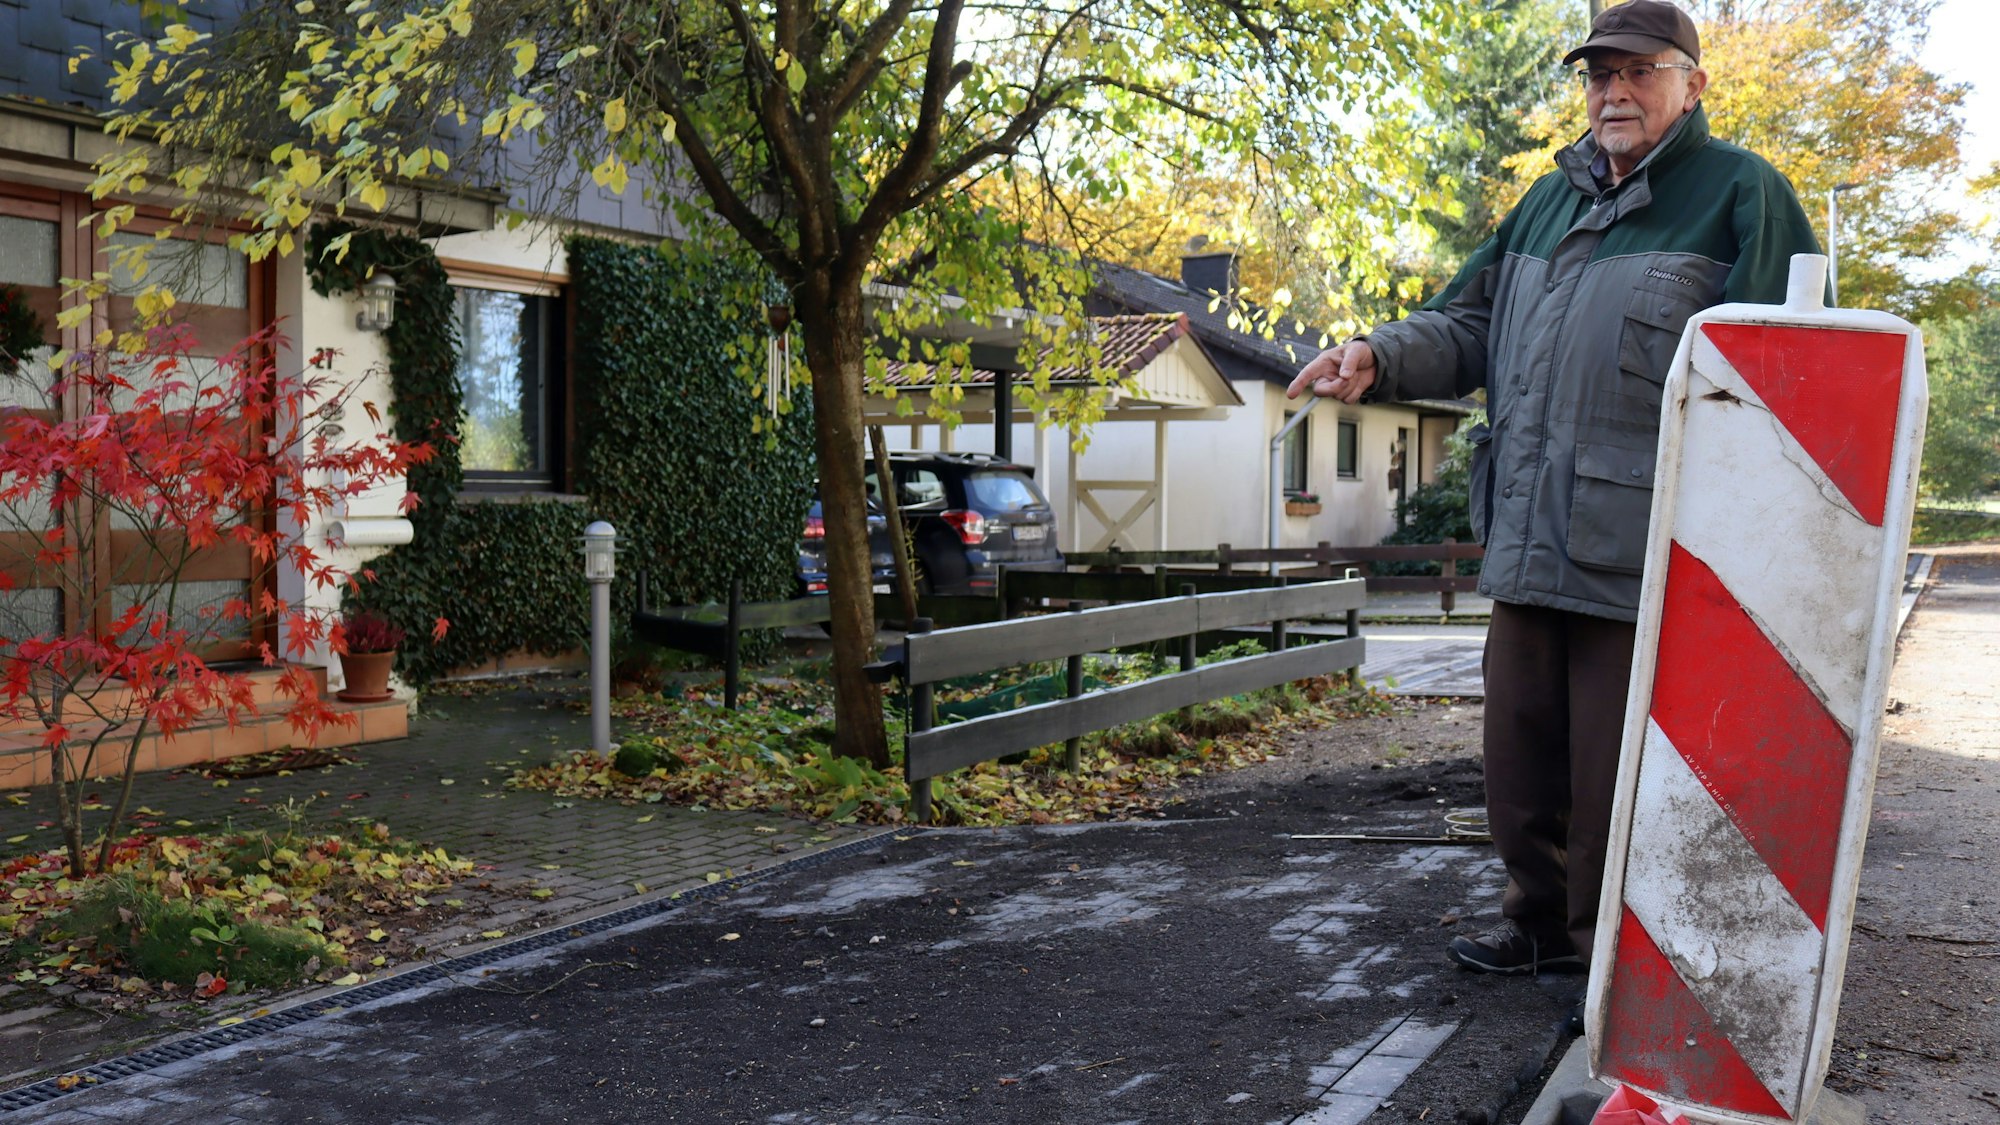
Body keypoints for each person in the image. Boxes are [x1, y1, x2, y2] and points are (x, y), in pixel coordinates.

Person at [1287, 0, 1820, 977]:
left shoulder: (1739, 192)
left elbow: (1785, 367)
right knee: (1519, 758)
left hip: (1647, 550)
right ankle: (1536, 922)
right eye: (1598, 75)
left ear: (1692, 83)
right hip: (1528, 531)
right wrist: (1376, 354)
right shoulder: (1545, 201)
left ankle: (1613, 961)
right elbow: (1466, 322)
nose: (1614, 92)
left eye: (1639, 71)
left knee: (1616, 769)